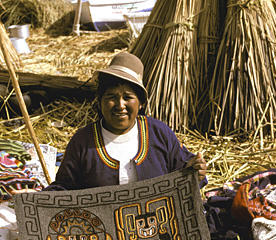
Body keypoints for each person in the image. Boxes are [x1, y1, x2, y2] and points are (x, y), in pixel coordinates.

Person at [41, 51, 207, 191]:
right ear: (99, 101)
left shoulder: (158, 133)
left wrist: (195, 171)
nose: (120, 105)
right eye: (111, 97)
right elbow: (63, 188)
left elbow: (184, 173)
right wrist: (34, 200)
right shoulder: (83, 141)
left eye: (128, 97)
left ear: (141, 103)